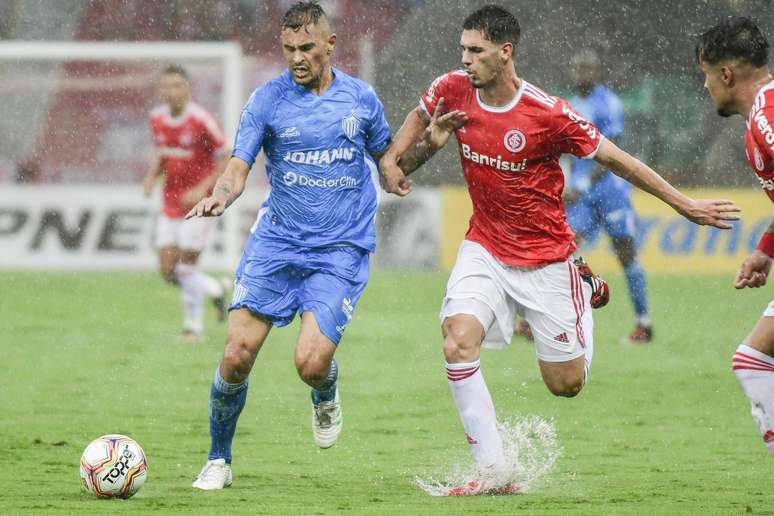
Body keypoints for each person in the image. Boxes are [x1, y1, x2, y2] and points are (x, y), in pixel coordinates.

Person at [379, 4, 740, 495]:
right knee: (457, 341)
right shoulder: (452, 89)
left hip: (548, 258)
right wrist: (395, 158)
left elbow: (620, 161)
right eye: (462, 49)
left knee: (564, 384)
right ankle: (493, 470)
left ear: (505, 53)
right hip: (484, 244)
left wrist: (684, 204)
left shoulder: (548, 114)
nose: (465, 60)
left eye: (476, 51)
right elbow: (419, 118)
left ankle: (582, 283)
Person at [185, 1, 392, 490]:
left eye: (306, 48)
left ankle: (325, 390)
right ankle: (219, 459)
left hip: (339, 249)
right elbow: (239, 165)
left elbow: (386, 156)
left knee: (311, 363)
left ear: (330, 45)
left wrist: (403, 168)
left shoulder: (362, 100)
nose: (297, 57)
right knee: (237, 352)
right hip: (277, 243)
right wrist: (220, 195)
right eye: (288, 49)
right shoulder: (266, 100)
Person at [697, 16, 774, 456]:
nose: (705, 87)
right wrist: (767, 249)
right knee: (754, 359)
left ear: (725, 74)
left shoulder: (766, 116)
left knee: (754, 361)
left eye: (705, 75)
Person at [563, 48, 652, 343]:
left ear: (597, 72)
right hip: (581, 195)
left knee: (625, 251)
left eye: (587, 68)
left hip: (610, 190)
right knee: (564, 250)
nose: (581, 74)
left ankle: (643, 324)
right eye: (577, 68)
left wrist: (585, 182)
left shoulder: (609, 103)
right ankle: (557, 320)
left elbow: (612, 152)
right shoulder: (570, 105)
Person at [143, 65, 230, 344]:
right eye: (167, 86)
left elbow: (226, 156)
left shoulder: (201, 120)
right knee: (168, 270)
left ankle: (193, 328)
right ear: (160, 90)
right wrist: (151, 177)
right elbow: (161, 152)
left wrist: (202, 189)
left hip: (199, 206)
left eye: (177, 85)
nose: (172, 91)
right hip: (170, 202)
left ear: (188, 89)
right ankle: (215, 288)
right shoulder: (156, 119)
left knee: (186, 269)